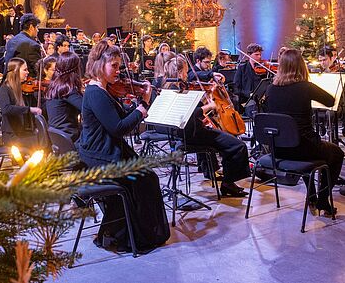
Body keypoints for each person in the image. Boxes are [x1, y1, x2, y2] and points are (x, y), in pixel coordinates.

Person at [76, 39, 169, 253]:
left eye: (119, 66)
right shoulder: (95, 93)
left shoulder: (103, 89)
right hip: (101, 156)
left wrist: (139, 104)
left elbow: (118, 119)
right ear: (100, 65)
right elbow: (118, 128)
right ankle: (132, 235)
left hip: (106, 151)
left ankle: (135, 232)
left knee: (147, 178)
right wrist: (142, 108)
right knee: (145, 180)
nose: (118, 71)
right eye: (114, 66)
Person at [264, 49, 342, 217]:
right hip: (303, 147)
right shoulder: (305, 87)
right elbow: (330, 100)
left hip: (278, 148)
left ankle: (312, 196)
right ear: (301, 66)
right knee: (336, 153)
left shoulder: (271, 89)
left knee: (305, 148)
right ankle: (322, 199)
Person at [161, 55, 251, 197]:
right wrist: (209, 106)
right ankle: (228, 183)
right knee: (237, 146)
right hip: (194, 135)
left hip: (185, 133)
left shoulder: (168, 88)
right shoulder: (177, 90)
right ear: (179, 73)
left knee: (228, 144)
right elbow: (191, 113)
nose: (187, 74)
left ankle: (226, 179)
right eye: (185, 71)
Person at [0, 58, 43, 147]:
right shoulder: (5, 88)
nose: (28, 72)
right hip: (12, 135)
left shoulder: (22, 89)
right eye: (25, 70)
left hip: (24, 132)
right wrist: (29, 109)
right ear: (15, 71)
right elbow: (6, 109)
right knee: (41, 143)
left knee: (43, 139)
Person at [45, 51, 84, 141]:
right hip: (68, 137)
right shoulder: (66, 89)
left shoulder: (55, 85)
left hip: (57, 136)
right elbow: (86, 107)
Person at [234, 43, 269, 114]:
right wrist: (249, 94)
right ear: (249, 55)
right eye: (256, 55)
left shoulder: (264, 69)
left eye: (260, 54)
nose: (259, 57)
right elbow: (236, 88)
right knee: (254, 109)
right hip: (247, 101)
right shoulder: (242, 69)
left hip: (262, 100)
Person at [3, 14, 42, 78]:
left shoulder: (11, 40)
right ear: (31, 27)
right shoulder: (32, 45)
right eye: (37, 27)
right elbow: (38, 70)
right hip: (25, 84)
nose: (38, 30)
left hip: (10, 82)